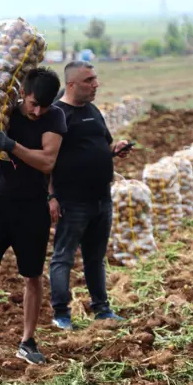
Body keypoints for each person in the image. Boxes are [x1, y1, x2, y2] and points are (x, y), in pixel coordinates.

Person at [0, 68, 66, 365]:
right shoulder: (4, 114)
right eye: (32, 103)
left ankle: (27, 340)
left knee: (32, 275)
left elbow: (47, 162)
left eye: (43, 105)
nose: (37, 110)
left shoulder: (54, 117)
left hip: (33, 205)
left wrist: (12, 146)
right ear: (22, 95)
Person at [48, 61, 131, 330]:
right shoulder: (57, 115)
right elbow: (47, 160)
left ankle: (102, 309)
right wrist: (50, 197)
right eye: (89, 80)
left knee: (95, 257)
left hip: (101, 198)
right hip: (72, 200)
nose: (96, 84)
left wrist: (114, 148)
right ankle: (61, 314)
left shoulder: (93, 111)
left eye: (95, 79)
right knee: (64, 256)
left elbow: (102, 144)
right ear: (72, 85)